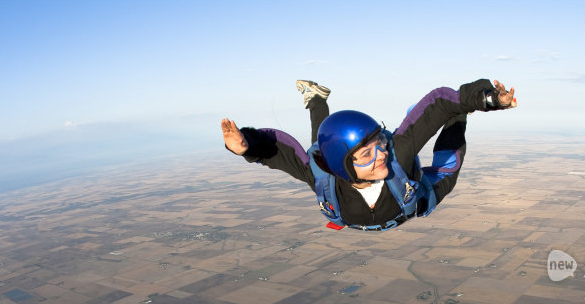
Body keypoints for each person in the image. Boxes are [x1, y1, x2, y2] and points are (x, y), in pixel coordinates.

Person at [221, 78, 516, 231]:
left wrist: (484, 99)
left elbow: (437, 102)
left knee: (447, 163)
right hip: (359, 188)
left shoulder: (397, 154)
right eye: (364, 154)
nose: (380, 156)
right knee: (320, 144)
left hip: (413, 197)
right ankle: (316, 100)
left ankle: (460, 115)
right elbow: (280, 151)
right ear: (342, 167)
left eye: (380, 143)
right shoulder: (325, 174)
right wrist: (246, 144)